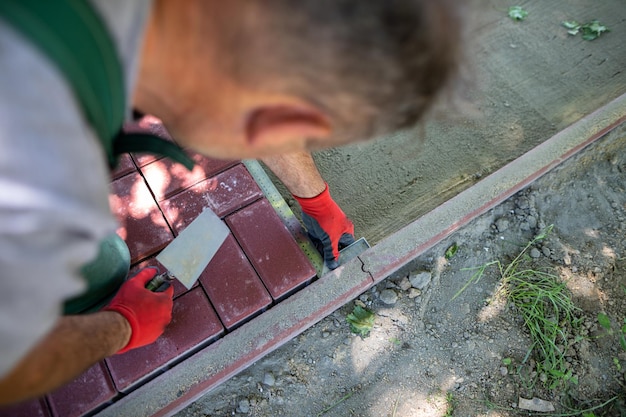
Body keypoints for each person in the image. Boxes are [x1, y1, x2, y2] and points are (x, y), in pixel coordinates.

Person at [0, 0, 461, 404]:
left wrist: (317, 200)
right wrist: (118, 327)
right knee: (91, 271)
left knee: (100, 259)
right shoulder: (34, 135)